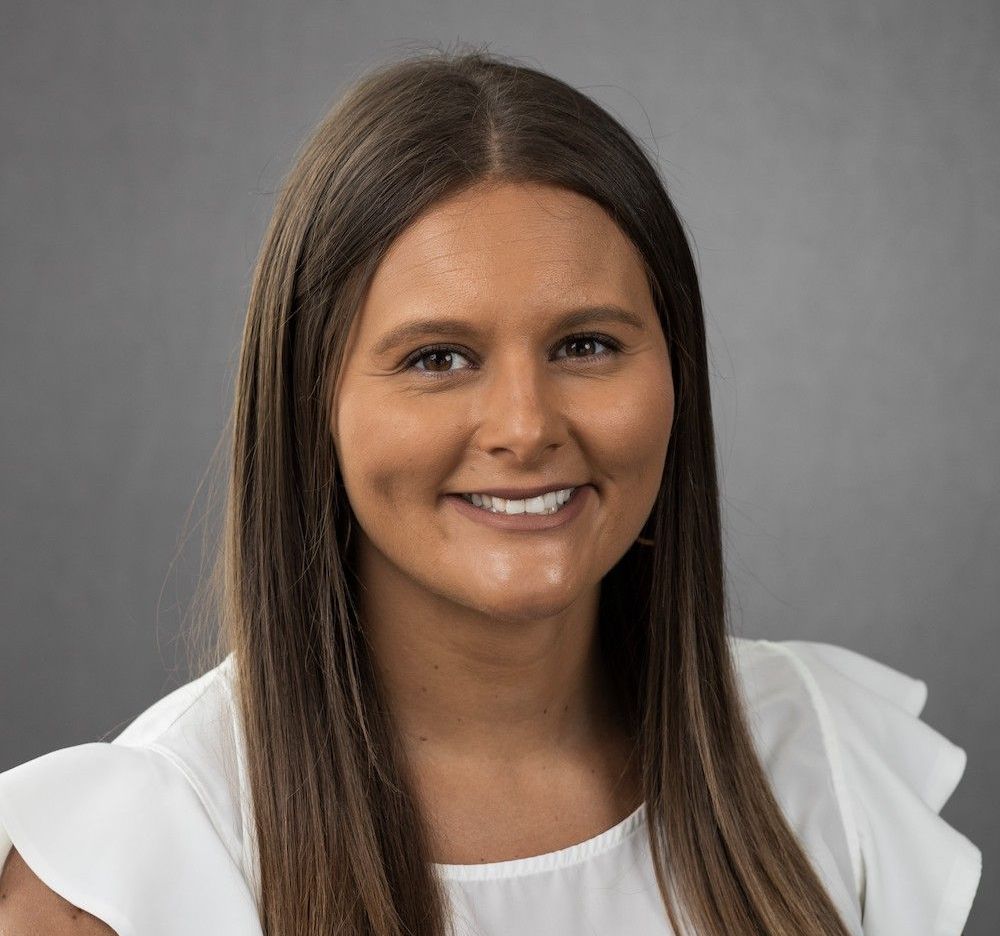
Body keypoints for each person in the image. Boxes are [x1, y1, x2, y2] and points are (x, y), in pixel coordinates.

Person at [0, 47, 982, 936]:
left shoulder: (826, 764)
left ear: (677, 372)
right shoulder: (133, 873)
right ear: (312, 407)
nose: (525, 425)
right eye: (438, 357)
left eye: (585, 345)